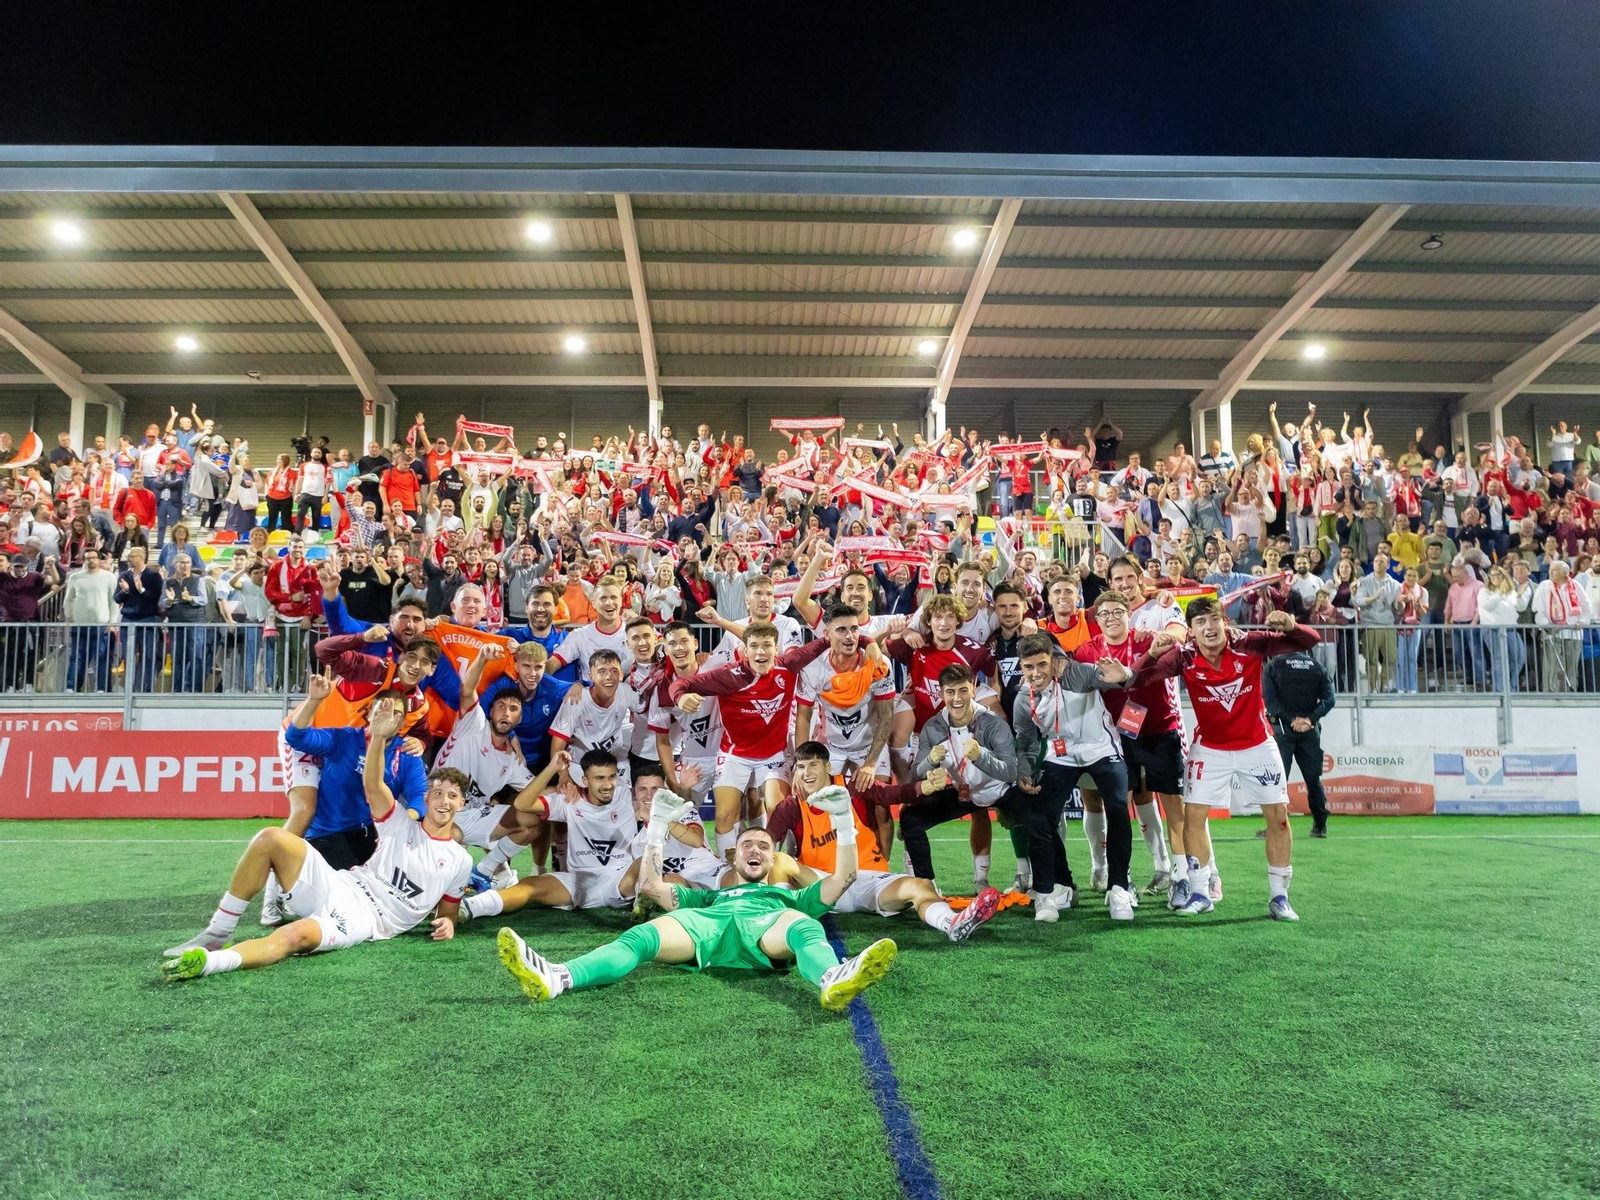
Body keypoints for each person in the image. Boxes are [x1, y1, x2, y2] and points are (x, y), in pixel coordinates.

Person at [495, 784, 899, 1012]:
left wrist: (844, 821)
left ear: (773, 857)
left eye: (763, 845)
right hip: (710, 925)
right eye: (747, 845)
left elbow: (845, 877)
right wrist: (656, 827)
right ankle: (558, 978)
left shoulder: (788, 897)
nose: (755, 850)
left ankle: (831, 979)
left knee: (805, 926)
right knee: (642, 937)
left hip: (768, 929)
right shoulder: (710, 897)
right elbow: (652, 887)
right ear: (734, 855)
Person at [162, 699, 473, 980]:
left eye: (452, 796)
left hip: (365, 919)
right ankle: (218, 932)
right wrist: (377, 737)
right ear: (428, 798)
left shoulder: (461, 860)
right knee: (271, 837)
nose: (443, 801)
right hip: (342, 884)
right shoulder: (400, 824)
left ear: (462, 804)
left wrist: (449, 924)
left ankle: (209, 963)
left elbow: (447, 912)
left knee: (294, 936)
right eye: (437, 793)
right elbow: (374, 784)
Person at [1124, 599, 1319, 920]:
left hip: (1257, 745)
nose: (1209, 627)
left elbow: (1309, 641)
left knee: (1279, 817)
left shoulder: (1250, 644)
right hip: (1210, 748)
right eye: (1200, 622)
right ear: (1191, 630)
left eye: (1214, 620)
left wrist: (1291, 625)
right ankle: (1201, 891)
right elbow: (1138, 678)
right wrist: (1153, 653)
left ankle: (1280, 897)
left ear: (1225, 622)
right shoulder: (1184, 656)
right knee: (1194, 816)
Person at [765, 741, 1001, 941]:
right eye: (801, 767)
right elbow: (768, 840)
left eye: (813, 765)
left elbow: (892, 794)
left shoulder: (854, 787)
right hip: (822, 882)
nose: (806, 773)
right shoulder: (792, 806)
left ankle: (952, 923)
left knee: (921, 886)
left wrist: (925, 786)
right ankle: (777, 919)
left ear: (828, 766)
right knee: (776, 859)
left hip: (868, 878)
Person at [667, 622, 830, 859]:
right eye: (754, 646)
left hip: (774, 755)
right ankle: (727, 870)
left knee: (777, 809)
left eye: (767, 646)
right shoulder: (728, 675)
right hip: (735, 755)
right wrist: (680, 698)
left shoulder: (789, 667)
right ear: (745, 650)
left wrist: (869, 644)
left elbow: (827, 640)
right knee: (724, 815)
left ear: (777, 649)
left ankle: (768, 866)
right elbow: (680, 683)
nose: (760, 652)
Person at [1010, 634, 1138, 922]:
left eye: (1042, 664)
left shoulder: (1077, 672)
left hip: (1101, 749)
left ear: (1054, 661)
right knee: (1042, 816)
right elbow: (1027, 741)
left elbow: (1114, 678)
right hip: (1061, 755)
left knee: (1118, 806)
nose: (1036, 673)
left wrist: (1124, 675)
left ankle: (1119, 887)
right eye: (1028, 667)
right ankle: (1063, 884)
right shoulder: (1022, 697)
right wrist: (1024, 771)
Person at [1264, 648, 1336, 838]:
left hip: (1282, 730)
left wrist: (1291, 720)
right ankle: (1320, 826)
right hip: (1310, 730)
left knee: (1278, 780)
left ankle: (1275, 826)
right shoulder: (1317, 667)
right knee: (1313, 780)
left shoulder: (1273, 666)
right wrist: (1309, 719)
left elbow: (1271, 702)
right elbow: (1329, 699)